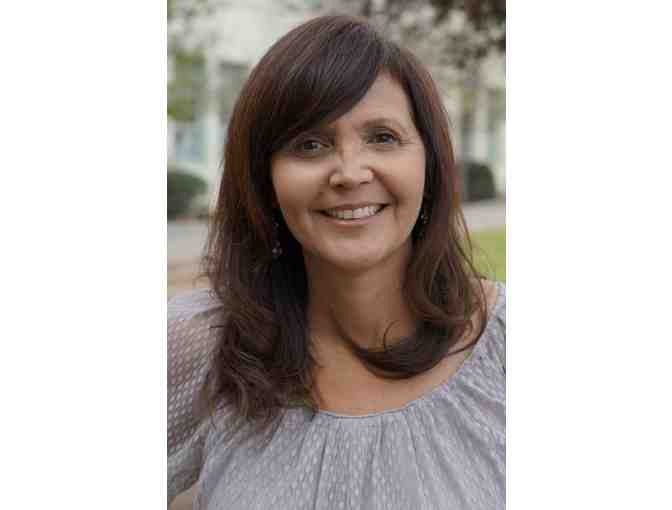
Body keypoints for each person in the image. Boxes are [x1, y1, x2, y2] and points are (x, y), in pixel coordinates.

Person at [168, 14, 505, 510]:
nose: (349, 173)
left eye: (382, 137)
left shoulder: (505, 346)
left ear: (429, 164)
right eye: (310, 144)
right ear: (265, 179)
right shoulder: (203, 347)